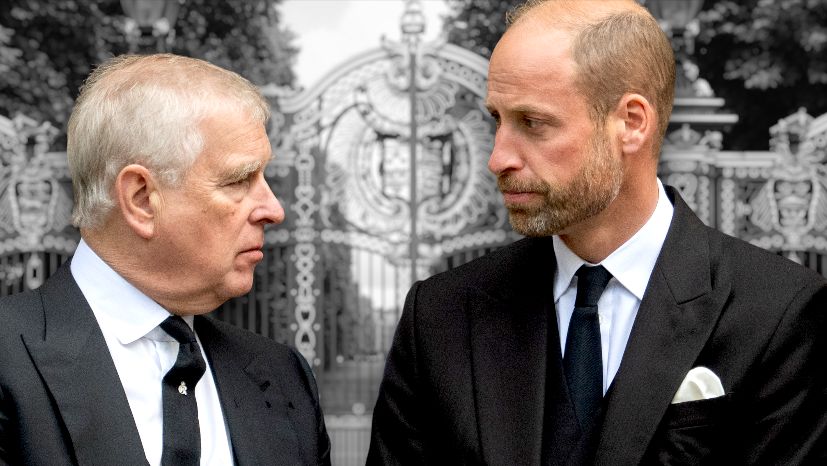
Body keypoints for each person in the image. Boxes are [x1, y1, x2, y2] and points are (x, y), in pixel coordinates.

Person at [368, 0, 827, 464]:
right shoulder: (440, 316)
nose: (498, 158)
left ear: (631, 123)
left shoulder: (779, 315)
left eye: (533, 122)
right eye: (497, 120)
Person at [0, 54, 331, 465]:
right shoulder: (9, 359)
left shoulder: (285, 377)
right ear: (141, 199)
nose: (274, 209)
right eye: (238, 180)